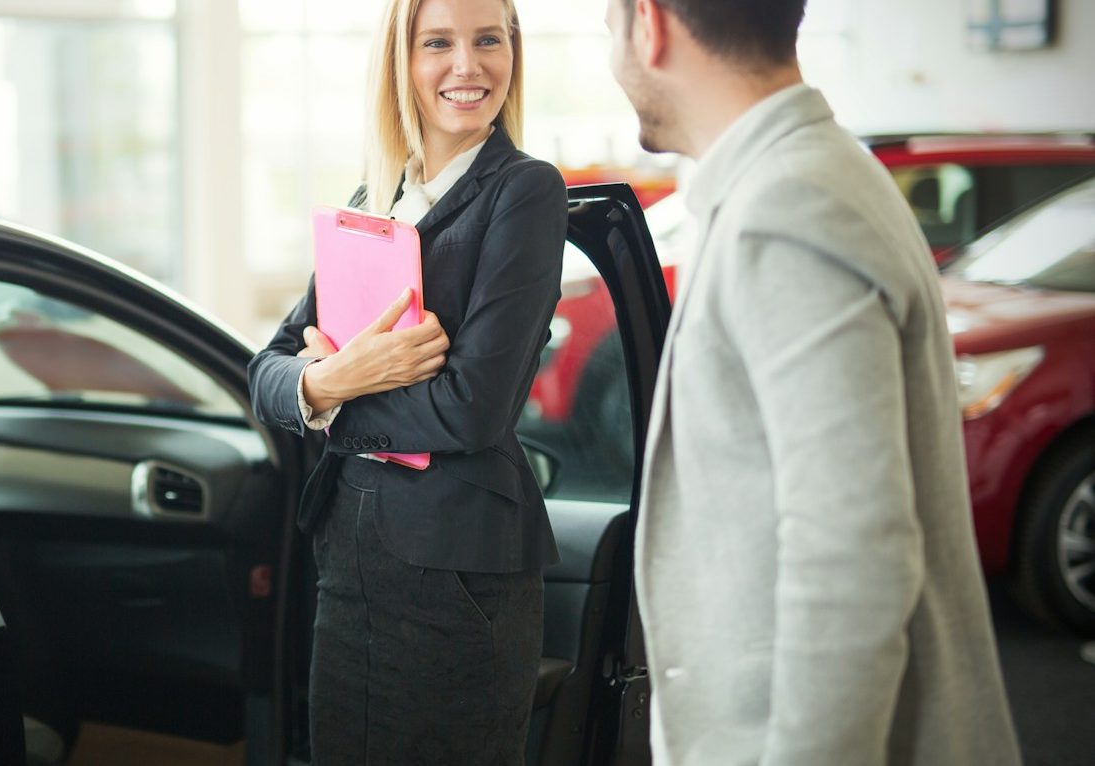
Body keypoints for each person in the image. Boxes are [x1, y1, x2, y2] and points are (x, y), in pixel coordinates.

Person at [603, 1, 1021, 764]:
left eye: (610, 28)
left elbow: (851, 562)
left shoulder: (788, 209)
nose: (612, 57)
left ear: (651, 24)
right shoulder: (807, 177)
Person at [247, 0, 565, 760]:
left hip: (458, 573)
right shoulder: (376, 199)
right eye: (438, 43)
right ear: (402, 60)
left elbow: (472, 409)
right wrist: (335, 378)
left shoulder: (524, 191)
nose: (468, 65)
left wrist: (333, 398)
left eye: (488, 40)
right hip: (351, 555)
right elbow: (267, 371)